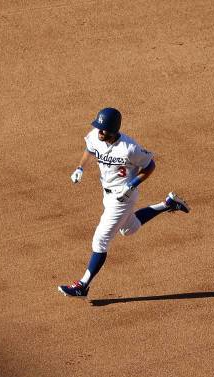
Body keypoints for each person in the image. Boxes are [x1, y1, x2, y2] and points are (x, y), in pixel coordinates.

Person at [58, 107, 190, 298]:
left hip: (123, 198)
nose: (99, 131)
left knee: (100, 240)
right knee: (128, 229)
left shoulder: (130, 148)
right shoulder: (96, 136)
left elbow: (150, 165)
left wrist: (132, 184)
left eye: (103, 129)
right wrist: (80, 168)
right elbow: (90, 149)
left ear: (113, 129)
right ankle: (168, 204)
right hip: (107, 193)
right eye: (98, 127)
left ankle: (82, 285)